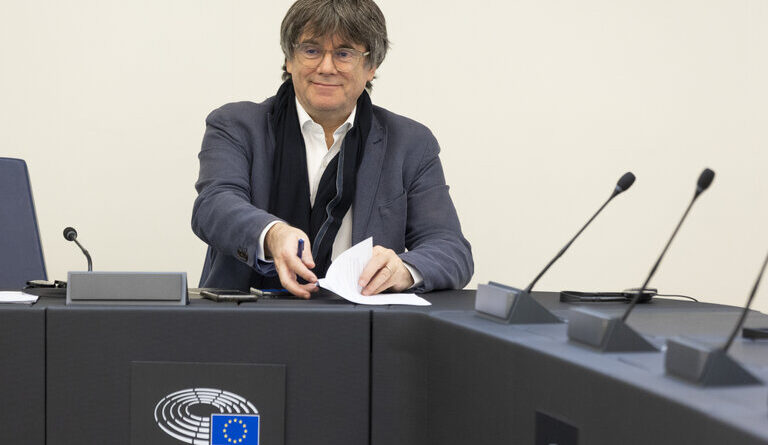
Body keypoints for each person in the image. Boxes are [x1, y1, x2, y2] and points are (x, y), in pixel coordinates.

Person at [192, 0, 473, 298]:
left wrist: (403, 269)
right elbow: (213, 206)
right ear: (289, 59)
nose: (326, 68)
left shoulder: (411, 143)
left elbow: (451, 248)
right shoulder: (236, 125)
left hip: (360, 328)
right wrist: (273, 234)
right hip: (242, 320)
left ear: (371, 67)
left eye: (344, 53)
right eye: (311, 50)